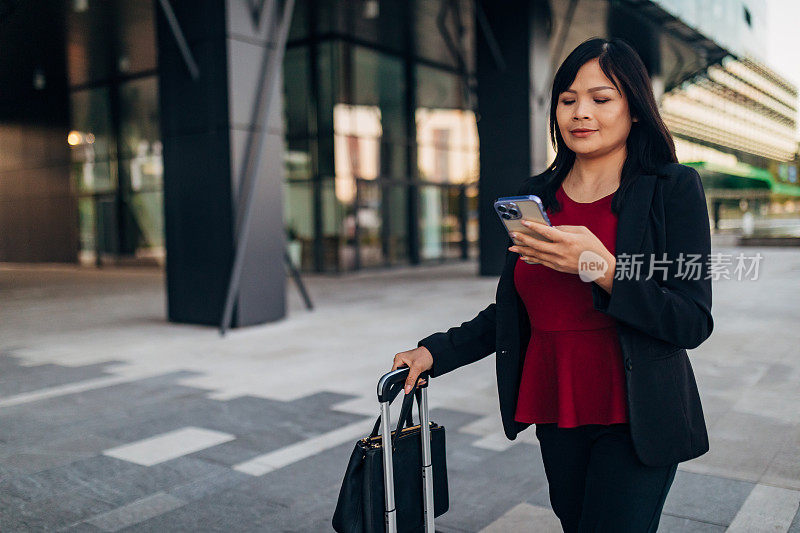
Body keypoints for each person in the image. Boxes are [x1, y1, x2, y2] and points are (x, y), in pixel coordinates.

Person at [390, 37, 714, 532]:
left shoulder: (673, 189)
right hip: (557, 407)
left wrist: (599, 266)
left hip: (636, 412)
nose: (580, 112)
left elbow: (691, 319)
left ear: (636, 109)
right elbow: (515, 307)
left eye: (601, 99)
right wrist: (434, 352)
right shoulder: (535, 197)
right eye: (567, 99)